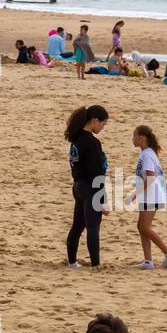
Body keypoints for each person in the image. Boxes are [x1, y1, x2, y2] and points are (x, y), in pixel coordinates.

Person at [125, 124, 167, 269]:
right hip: (150, 194)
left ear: (141, 138)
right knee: (141, 227)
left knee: (145, 227)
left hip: (151, 195)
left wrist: (134, 195)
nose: (132, 139)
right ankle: (148, 261)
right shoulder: (147, 153)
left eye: (134, 136)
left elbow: (151, 178)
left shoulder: (147, 155)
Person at [65, 104, 109, 268]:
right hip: (89, 188)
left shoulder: (76, 139)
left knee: (77, 226)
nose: (102, 128)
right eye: (103, 124)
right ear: (94, 121)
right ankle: (96, 265)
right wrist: (102, 199)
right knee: (92, 227)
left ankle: (72, 262)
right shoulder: (92, 143)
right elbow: (96, 174)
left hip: (78, 186)